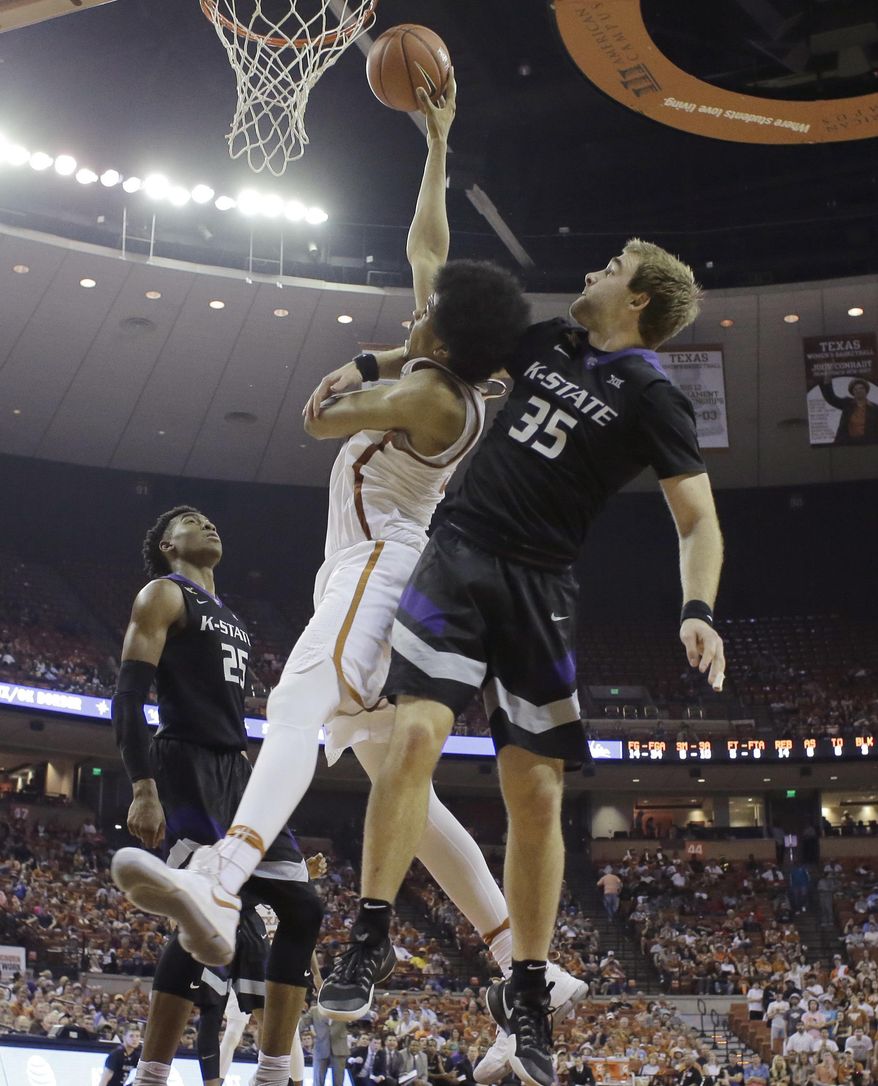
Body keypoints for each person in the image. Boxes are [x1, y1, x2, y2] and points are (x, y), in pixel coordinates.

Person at [102, 71, 587, 1080]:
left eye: (427, 317)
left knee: (293, 709)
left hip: (377, 567)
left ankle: (222, 883)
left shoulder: (419, 390)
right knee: (396, 789)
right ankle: (519, 955)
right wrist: (436, 150)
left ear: (439, 338)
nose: (420, 307)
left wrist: (366, 363)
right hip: (396, 571)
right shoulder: (456, 375)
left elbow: (318, 416)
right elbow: (428, 248)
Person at [316, 137, 725, 1086]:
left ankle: (528, 988)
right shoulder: (543, 342)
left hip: (541, 585)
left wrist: (696, 606)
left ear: (642, 303)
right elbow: (441, 328)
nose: (592, 269)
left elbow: (696, 517)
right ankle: (369, 936)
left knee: (537, 795)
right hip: (461, 554)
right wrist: (367, 356)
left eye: (611, 267)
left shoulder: (655, 395)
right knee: (414, 735)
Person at [108, 507, 324, 1086]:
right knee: (206, 898)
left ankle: (274, 1069)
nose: (208, 525)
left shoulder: (230, 616)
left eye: (208, 520)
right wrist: (143, 784)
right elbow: (128, 697)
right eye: (189, 521)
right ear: (166, 545)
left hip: (236, 771)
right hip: (186, 764)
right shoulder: (162, 594)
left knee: (305, 907)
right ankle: (152, 1073)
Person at [817, 376, 878, 444]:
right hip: (846, 442)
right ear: (853, 393)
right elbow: (831, 399)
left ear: (866, 390)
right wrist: (827, 382)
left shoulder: (875, 408)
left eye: (861, 388)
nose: (858, 391)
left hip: (867, 443)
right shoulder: (847, 403)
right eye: (855, 389)